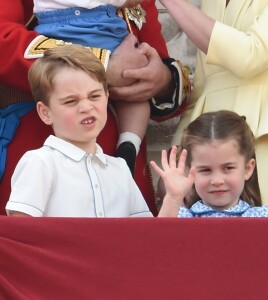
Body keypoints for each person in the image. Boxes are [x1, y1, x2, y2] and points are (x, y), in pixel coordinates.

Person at [0, 0, 190, 216]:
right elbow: (3, 39)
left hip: (120, 157)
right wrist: (101, 66)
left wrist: (160, 79)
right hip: (43, 142)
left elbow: (161, 62)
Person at [158, 0, 268, 217]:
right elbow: (202, 91)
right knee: (206, 249)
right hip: (209, 152)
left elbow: (251, 55)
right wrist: (179, 157)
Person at [6, 44, 153, 217]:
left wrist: (173, 197)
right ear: (45, 113)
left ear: (106, 97)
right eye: (71, 101)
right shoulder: (40, 162)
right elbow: (22, 234)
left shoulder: (120, 169)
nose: (86, 107)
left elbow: (144, 236)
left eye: (94, 96)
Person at [32, 0, 150, 175]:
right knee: (135, 90)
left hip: (52, 30)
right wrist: (106, 65)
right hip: (100, 28)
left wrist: (163, 76)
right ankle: (129, 143)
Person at [151, 110, 268, 217]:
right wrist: (173, 198)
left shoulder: (265, 217)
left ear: (247, 169)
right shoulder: (182, 217)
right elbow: (159, 243)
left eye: (228, 168)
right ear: (190, 172)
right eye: (205, 170)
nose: (217, 180)